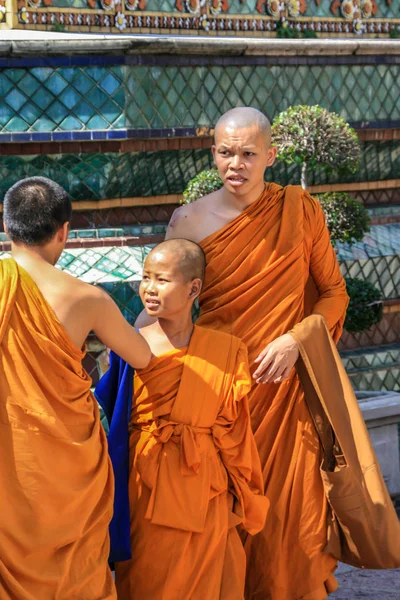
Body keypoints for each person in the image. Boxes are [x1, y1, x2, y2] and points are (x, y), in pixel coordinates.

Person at [163, 108, 350, 599]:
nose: (237, 165)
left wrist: (297, 339)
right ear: (213, 154)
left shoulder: (300, 210)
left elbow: (334, 292)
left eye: (249, 154)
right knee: (222, 517)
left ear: (270, 156)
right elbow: (169, 308)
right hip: (221, 394)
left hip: (286, 395)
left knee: (291, 521)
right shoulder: (190, 219)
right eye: (226, 153)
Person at [0, 177, 151, 600]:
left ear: (8, 226)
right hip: (67, 466)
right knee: (75, 568)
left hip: (8, 463)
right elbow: (140, 357)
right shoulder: (87, 298)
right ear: (64, 231)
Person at [96, 239, 269, 600]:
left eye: (162, 279)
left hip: (206, 489)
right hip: (145, 486)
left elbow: (235, 432)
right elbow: (108, 419)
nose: (149, 288)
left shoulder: (225, 349)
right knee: (147, 580)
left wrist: (241, 488)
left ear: (194, 288)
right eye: (145, 277)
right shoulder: (130, 346)